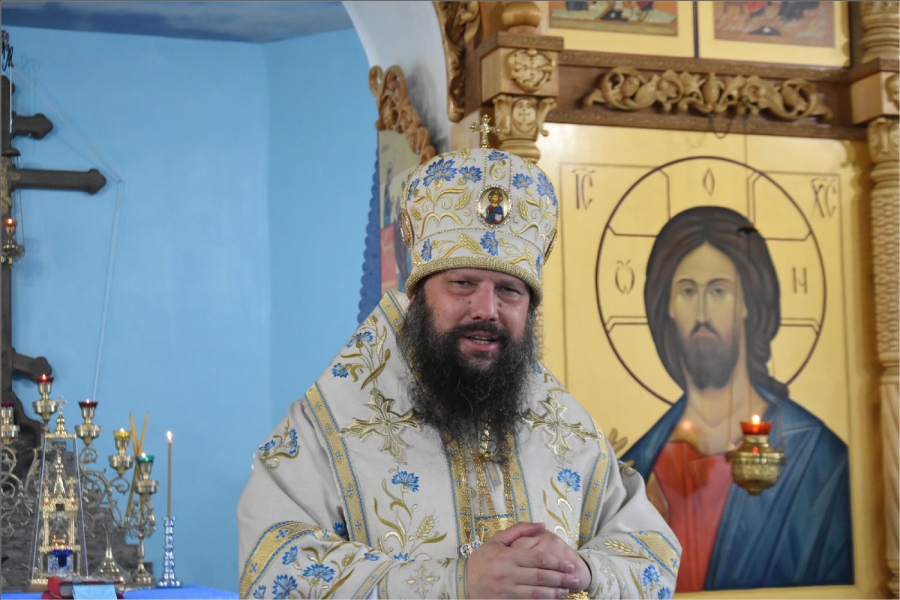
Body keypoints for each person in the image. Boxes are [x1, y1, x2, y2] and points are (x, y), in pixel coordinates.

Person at [238, 145, 681, 599]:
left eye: (509, 290)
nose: (486, 309)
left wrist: (581, 570)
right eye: (462, 283)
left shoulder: (568, 431)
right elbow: (272, 564)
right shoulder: (330, 425)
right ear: (417, 296)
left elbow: (652, 553)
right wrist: (455, 584)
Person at [622, 206, 852, 592]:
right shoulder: (635, 468)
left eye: (718, 291)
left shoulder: (817, 459)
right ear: (668, 306)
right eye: (687, 291)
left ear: (747, 302)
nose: (702, 312)